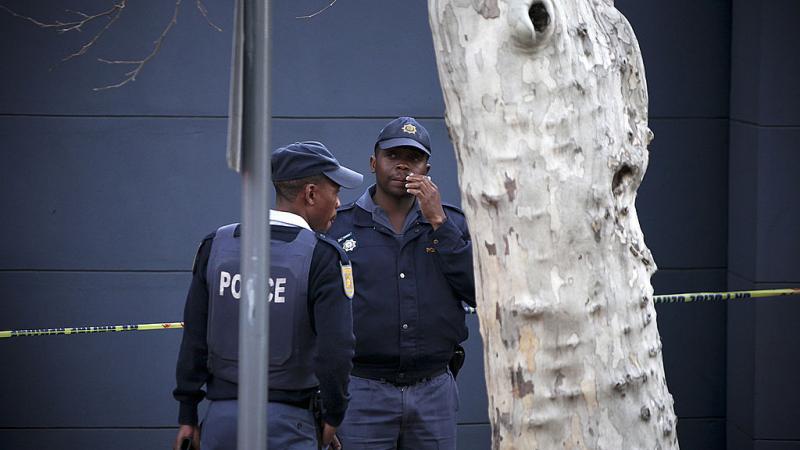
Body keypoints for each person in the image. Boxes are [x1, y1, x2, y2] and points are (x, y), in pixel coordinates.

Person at [172, 141, 363, 450]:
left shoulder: (217, 245)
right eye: (335, 191)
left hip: (221, 420)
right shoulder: (324, 256)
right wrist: (333, 417)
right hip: (290, 424)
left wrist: (188, 414)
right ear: (311, 194)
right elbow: (336, 349)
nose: (339, 203)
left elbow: (194, 337)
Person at [328, 117, 476, 449]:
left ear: (427, 168)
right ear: (373, 162)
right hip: (362, 389)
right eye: (393, 155)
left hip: (433, 388)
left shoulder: (452, 223)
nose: (402, 165)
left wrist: (438, 221)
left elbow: (478, 292)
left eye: (413, 157)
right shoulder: (339, 227)